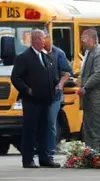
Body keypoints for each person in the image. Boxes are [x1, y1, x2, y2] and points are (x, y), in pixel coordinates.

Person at [10, 29, 60, 168]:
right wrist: (27, 90)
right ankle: (28, 159)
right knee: (30, 130)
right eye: (43, 38)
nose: (45, 41)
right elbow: (16, 77)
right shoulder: (24, 57)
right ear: (36, 39)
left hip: (46, 99)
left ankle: (45, 158)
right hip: (31, 100)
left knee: (44, 129)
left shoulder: (46, 56)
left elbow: (52, 75)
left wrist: (54, 86)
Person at [77, 28, 100, 151]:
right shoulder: (89, 52)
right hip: (89, 96)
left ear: (92, 39)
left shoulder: (99, 53)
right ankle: (90, 151)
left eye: (84, 38)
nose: (82, 41)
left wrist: (85, 86)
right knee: (88, 125)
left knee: (97, 124)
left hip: (96, 96)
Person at [45, 41, 72, 162]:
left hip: (55, 95)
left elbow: (67, 72)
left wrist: (60, 84)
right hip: (38, 96)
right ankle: (41, 149)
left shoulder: (58, 54)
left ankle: (50, 150)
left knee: (51, 122)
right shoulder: (36, 54)